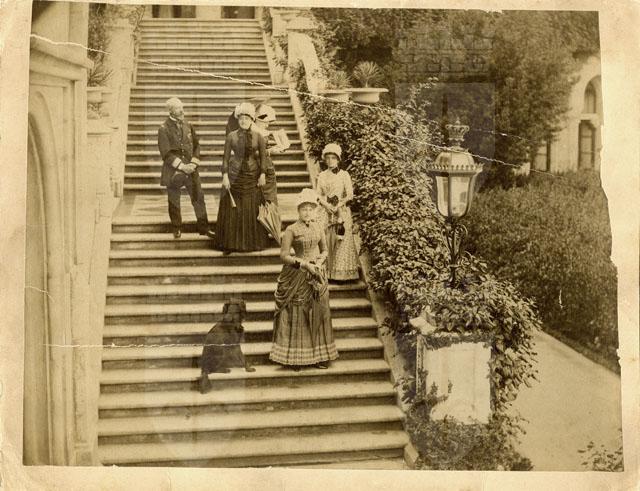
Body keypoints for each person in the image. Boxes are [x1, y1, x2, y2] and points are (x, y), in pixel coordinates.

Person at [269, 188, 338, 370]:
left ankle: (319, 357)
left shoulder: (319, 227)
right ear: (298, 210)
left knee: (319, 312)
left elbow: (325, 250)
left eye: (310, 209)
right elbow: (284, 255)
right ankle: (296, 358)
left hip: (317, 273)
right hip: (297, 275)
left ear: (315, 210)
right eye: (304, 209)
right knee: (299, 313)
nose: (307, 212)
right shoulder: (291, 230)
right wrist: (304, 264)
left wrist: (319, 261)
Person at [215, 102, 270, 253]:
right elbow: (225, 159)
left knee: (251, 207)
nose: (243, 121)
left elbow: (263, 158)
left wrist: (263, 173)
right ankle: (231, 243)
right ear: (238, 120)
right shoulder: (231, 136)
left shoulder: (258, 136)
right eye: (241, 119)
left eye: (246, 118)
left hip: (253, 176)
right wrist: (225, 175)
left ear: (252, 119)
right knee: (234, 210)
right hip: (235, 175)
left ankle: (251, 243)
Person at [158, 97, 214, 239]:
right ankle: (176, 228)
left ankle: (204, 227)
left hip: (191, 169)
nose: (182, 110)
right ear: (170, 111)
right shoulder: (163, 128)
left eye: (182, 107)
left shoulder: (188, 125)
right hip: (173, 170)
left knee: (198, 197)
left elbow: (197, 146)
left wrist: (193, 164)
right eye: (178, 108)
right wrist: (182, 166)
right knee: (174, 200)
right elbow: (166, 153)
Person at [316, 143, 359, 281]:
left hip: (341, 210)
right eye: (328, 158)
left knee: (341, 240)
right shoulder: (322, 175)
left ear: (338, 159)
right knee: (326, 239)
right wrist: (326, 205)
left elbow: (350, 195)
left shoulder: (344, 175)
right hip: (326, 210)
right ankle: (326, 273)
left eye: (333, 158)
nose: (330, 161)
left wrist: (338, 204)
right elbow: (318, 195)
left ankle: (340, 274)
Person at [252, 104, 291, 204]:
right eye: (266, 122)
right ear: (258, 120)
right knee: (262, 198)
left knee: (269, 198)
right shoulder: (252, 132)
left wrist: (276, 148)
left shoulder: (261, 131)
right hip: (257, 168)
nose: (267, 125)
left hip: (266, 166)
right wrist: (270, 151)